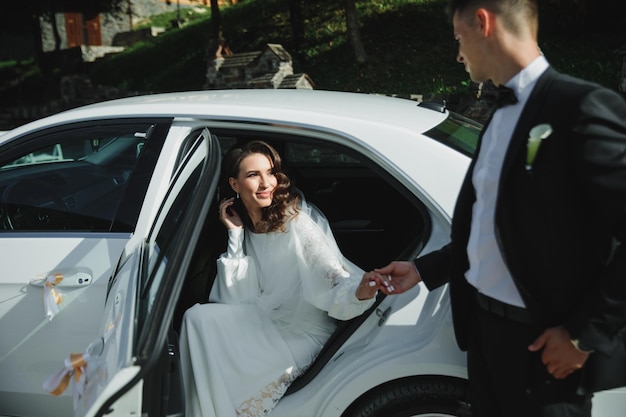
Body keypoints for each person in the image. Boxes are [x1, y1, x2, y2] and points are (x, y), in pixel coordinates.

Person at [376, 1, 626, 416]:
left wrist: (585, 335)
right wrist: (424, 269)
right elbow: (500, 226)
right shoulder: (499, 114)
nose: (458, 54)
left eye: (459, 39)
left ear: (482, 21)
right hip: (486, 337)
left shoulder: (579, 107)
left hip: (546, 349)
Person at [179, 140, 388, 417]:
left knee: (208, 333)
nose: (266, 183)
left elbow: (333, 275)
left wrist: (360, 290)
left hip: (304, 333)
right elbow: (237, 299)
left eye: (271, 172)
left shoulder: (296, 221)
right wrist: (235, 235)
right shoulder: (245, 226)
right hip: (266, 321)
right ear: (234, 184)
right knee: (197, 319)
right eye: (254, 175)